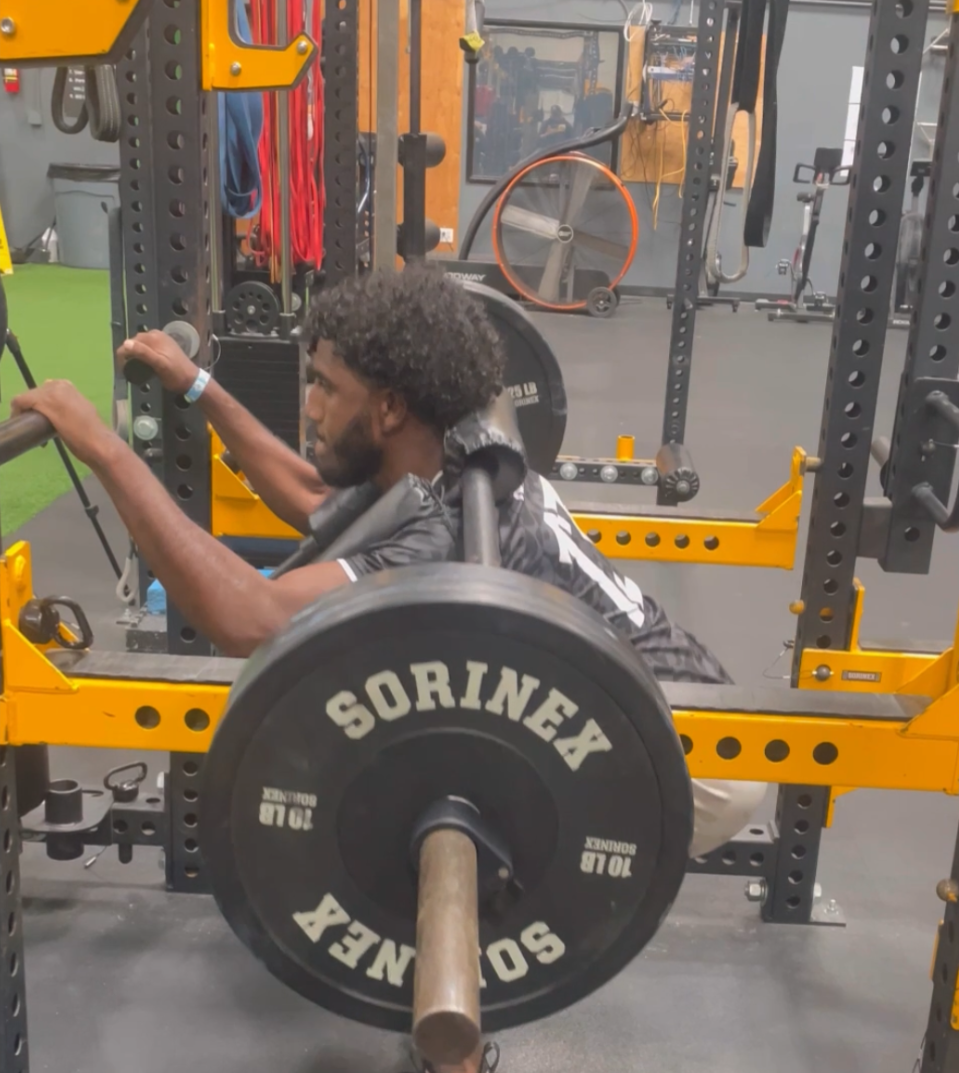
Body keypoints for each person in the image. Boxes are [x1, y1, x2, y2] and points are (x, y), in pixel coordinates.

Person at [12, 263, 766, 1073]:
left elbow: (246, 620)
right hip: (681, 701)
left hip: (691, 754)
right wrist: (198, 385)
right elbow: (310, 494)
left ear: (390, 407)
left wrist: (100, 446)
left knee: (440, 775)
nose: (309, 405)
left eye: (324, 388)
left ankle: (458, 1050)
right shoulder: (452, 451)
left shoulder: (444, 530)